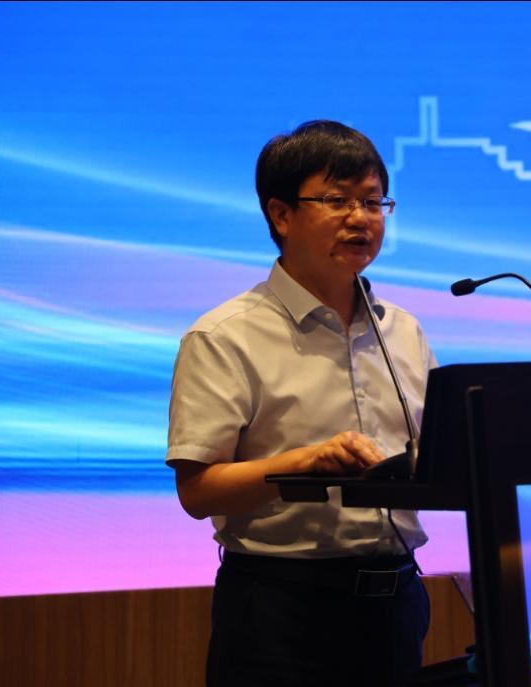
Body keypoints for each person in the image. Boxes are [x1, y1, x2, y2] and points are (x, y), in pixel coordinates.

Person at [166, 120, 435, 686]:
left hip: (396, 604)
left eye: (373, 201)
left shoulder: (404, 331)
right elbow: (197, 491)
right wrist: (303, 463)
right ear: (281, 214)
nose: (360, 218)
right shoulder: (225, 336)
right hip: (280, 613)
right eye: (337, 201)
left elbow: (432, 459)